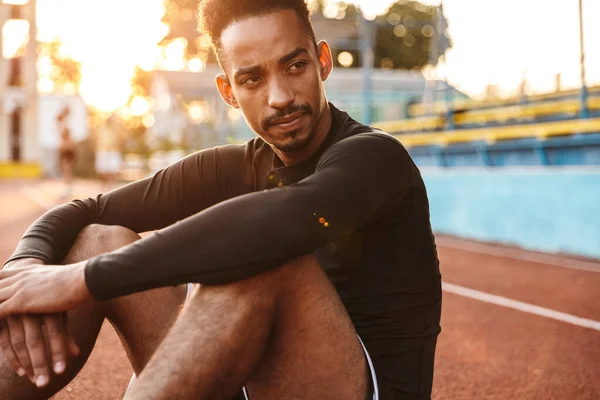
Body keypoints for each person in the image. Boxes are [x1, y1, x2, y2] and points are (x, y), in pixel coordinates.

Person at [0, 1, 442, 399]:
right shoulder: (229, 167)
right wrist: (25, 269)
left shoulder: (375, 157)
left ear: (322, 61)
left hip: (359, 389)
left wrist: (83, 280)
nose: (280, 97)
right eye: (252, 79)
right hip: (249, 386)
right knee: (98, 239)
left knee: (265, 259)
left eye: (294, 66)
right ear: (229, 91)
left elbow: (279, 226)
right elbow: (87, 210)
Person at [57, 107, 76, 199]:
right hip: (66, 150)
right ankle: (68, 189)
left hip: (67, 151)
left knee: (67, 170)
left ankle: (68, 189)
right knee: (66, 171)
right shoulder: (63, 126)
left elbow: (67, 140)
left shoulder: (65, 126)